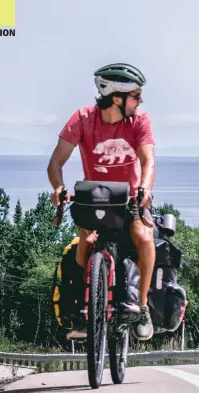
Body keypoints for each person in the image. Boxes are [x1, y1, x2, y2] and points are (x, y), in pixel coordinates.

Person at [47, 63, 156, 342]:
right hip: (94, 198)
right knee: (85, 242)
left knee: (144, 238)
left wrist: (144, 187)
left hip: (129, 198)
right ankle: (86, 312)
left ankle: (142, 307)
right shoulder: (82, 118)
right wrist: (58, 187)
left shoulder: (139, 121)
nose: (140, 100)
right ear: (117, 97)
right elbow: (56, 163)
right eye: (136, 94)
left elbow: (148, 162)